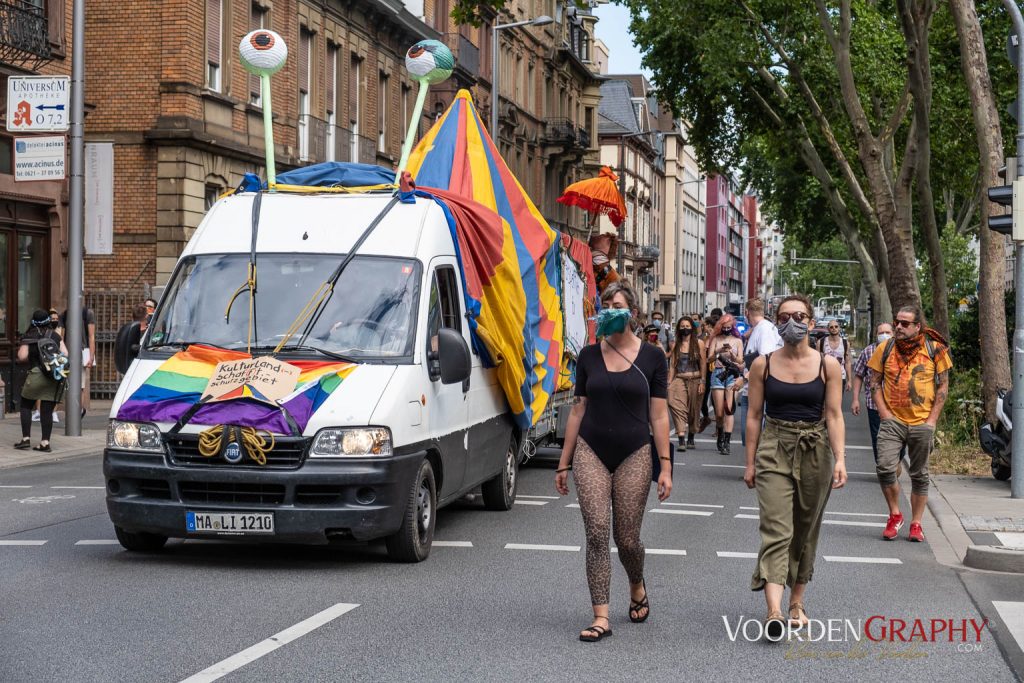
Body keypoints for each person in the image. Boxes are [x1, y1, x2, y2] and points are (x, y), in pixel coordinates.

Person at [555, 281, 672, 643]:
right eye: (606, 304)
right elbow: (578, 409)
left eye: (618, 305)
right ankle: (601, 615)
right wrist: (564, 462)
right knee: (596, 532)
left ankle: (636, 583)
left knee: (627, 539)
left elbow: (660, 416)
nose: (610, 310)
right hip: (591, 449)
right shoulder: (589, 356)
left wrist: (665, 465)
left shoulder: (653, 357)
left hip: (634, 451)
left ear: (632, 314)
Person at [743, 294, 847, 639]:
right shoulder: (764, 365)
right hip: (775, 446)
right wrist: (750, 462)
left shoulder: (827, 366)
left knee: (805, 528)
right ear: (776, 321)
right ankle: (773, 609)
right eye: (785, 316)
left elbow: (833, 415)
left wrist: (841, 459)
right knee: (776, 529)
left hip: (816, 448)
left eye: (800, 315)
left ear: (811, 322)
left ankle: (796, 602)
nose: (793, 322)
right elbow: (754, 416)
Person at [868, 305, 952, 542]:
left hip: (922, 421)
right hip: (892, 420)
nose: (899, 327)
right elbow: (874, 382)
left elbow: (943, 385)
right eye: (897, 322)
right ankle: (895, 514)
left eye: (905, 324)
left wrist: (932, 420)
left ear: (918, 327)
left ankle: (916, 523)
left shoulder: (934, 349)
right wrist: (884, 414)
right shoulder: (885, 348)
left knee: (919, 474)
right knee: (885, 468)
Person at [15, 310, 69, 453]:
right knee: (46, 410)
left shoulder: (30, 335)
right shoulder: (55, 336)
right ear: (48, 321)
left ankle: (25, 439)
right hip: (53, 376)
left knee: (26, 405)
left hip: (35, 374)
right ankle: (45, 442)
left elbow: (21, 356)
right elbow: (65, 354)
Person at [736, 298, 784, 447]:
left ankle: (758, 468)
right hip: (750, 390)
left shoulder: (764, 329)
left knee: (753, 438)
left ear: (747, 312)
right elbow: (756, 358)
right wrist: (741, 365)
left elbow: (766, 360)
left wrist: (744, 379)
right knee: (748, 438)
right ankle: (755, 467)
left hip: (759, 390)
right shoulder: (759, 329)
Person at [851, 322, 895, 462]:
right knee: (878, 437)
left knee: (898, 436)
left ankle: (895, 461)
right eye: (881, 333)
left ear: (893, 334)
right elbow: (859, 375)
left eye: (887, 332)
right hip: (874, 404)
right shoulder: (868, 351)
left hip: (896, 404)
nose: (884, 335)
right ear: (876, 335)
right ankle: (882, 466)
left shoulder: (900, 351)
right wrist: (855, 399)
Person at [707, 313, 744, 454]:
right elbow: (708, 359)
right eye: (724, 326)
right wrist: (718, 351)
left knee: (729, 409)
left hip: (732, 374)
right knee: (719, 412)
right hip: (718, 373)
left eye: (729, 327)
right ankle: (720, 434)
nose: (727, 329)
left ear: (733, 327)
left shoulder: (738, 341)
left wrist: (733, 355)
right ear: (720, 326)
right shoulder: (715, 339)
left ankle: (727, 441)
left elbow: (741, 361)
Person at [667, 316, 704, 451]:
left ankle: (691, 437)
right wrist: (669, 383)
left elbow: (703, 363)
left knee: (694, 410)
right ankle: (681, 438)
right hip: (679, 379)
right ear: (678, 328)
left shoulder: (698, 343)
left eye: (687, 326)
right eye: (682, 326)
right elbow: (672, 365)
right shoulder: (676, 343)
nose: (685, 329)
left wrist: (702, 381)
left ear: (692, 328)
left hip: (695, 379)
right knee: (674, 402)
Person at [60, 303, 96, 417]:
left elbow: (91, 336)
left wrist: (91, 356)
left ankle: (78, 411)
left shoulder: (87, 313)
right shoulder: (65, 314)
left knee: (80, 385)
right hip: (68, 353)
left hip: (82, 352)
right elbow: (61, 337)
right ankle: (72, 412)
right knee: (68, 384)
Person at [817, 321, 853, 392]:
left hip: (840, 377)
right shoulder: (821, 342)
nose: (834, 328)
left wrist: (849, 381)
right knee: (824, 401)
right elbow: (817, 362)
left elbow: (847, 362)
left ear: (839, 328)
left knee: (838, 402)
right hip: (825, 377)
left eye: (836, 326)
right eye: (831, 327)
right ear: (828, 329)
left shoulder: (845, 343)